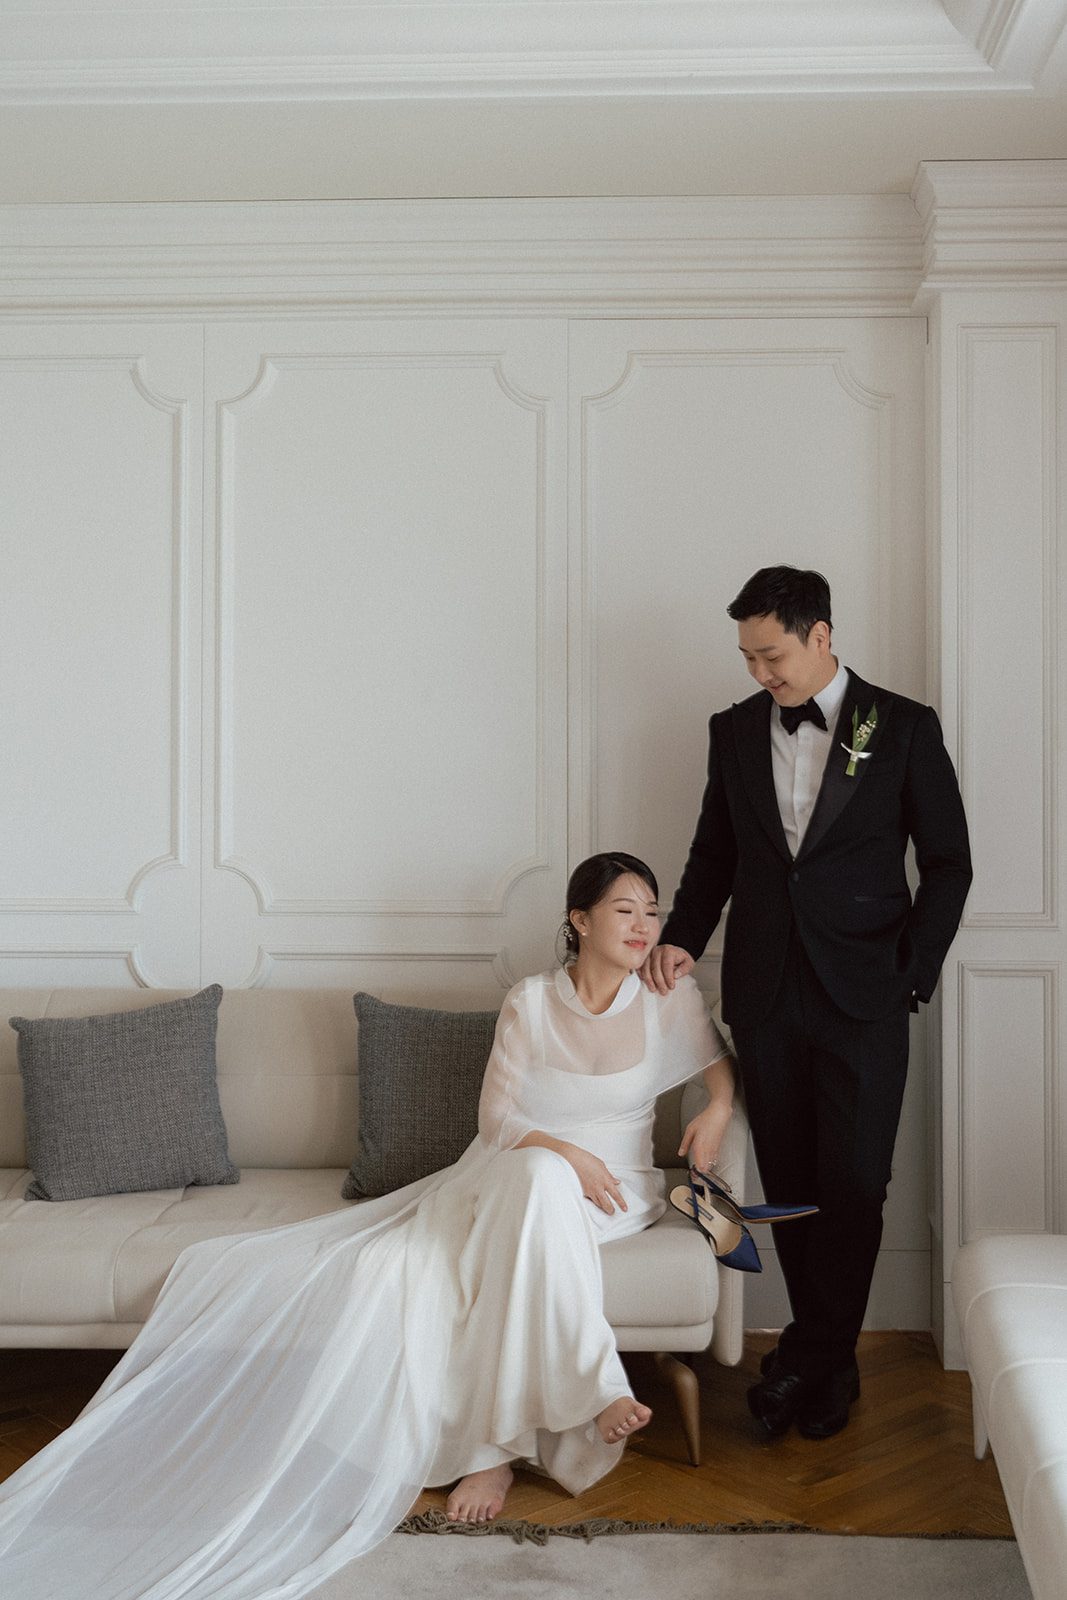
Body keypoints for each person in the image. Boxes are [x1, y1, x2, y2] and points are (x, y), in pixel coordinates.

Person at [0, 852, 735, 1600]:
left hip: (617, 1193)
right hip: (511, 1172)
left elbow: (718, 1067)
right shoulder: (532, 999)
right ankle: (590, 1388)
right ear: (579, 921)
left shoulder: (664, 995)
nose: (643, 925)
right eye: (624, 909)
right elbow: (498, 1121)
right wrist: (564, 1153)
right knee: (500, 1206)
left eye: (651, 910)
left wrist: (716, 1108)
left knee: (519, 1223)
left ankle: (495, 1449)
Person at [644, 566, 972, 1441]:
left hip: (865, 995)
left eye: (771, 654)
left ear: (819, 635)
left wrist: (913, 973)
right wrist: (680, 933)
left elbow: (947, 863)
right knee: (791, 1185)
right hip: (764, 991)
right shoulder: (732, 731)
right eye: (747, 657)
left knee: (856, 1184)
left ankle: (811, 1355)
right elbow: (713, 851)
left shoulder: (897, 726)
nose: (760, 673)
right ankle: (824, 1364)